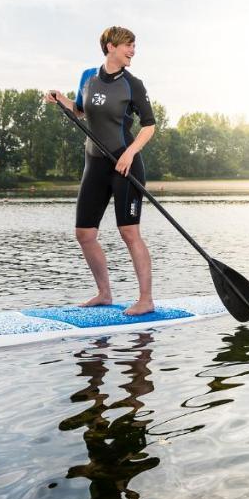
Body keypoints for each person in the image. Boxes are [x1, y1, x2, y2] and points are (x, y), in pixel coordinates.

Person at [46, 26, 157, 315]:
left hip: (124, 164)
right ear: (110, 47)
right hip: (95, 163)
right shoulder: (88, 77)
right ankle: (104, 293)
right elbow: (81, 111)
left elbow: (149, 125)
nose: (133, 50)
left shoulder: (134, 84)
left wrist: (130, 153)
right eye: (128, 46)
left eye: (134, 46)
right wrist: (62, 100)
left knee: (129, 232)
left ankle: (146, 299)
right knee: (84, 233)